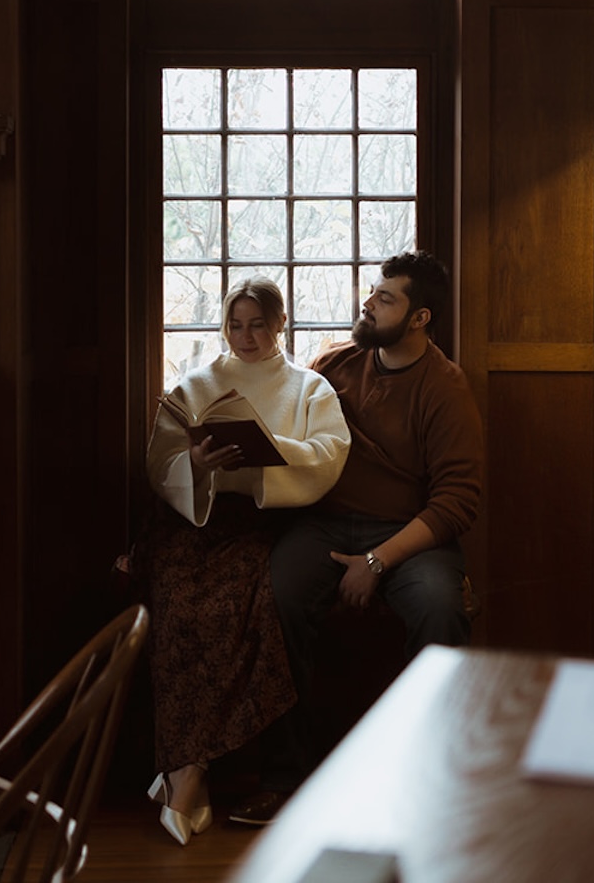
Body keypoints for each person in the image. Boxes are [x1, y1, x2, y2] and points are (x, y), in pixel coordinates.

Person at [233, 250, 485, 825]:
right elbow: (282, 418)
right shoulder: (336, 364)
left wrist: (375, 561)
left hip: (409, 532)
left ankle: (429, 782)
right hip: (323, 522)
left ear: (419, 318)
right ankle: (282, 779)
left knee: (441, 609)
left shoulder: (445, 388)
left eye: (385, 297)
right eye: (372, 292)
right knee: (276, 597)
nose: (367, 303)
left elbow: (458, 500)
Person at [139, 277, 350, 844]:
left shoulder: (309, 388)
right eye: (236, 324)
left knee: (237, 608)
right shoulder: (194, 386)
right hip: (194, 523)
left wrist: (265, 458)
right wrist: (199, 464)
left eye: (258, 323)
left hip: (266, 523)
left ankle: (186, 772)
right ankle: (186, 767)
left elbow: (329, 455)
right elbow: (161, 462)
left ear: (280, 322)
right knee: (180, 606)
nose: (246, 335)